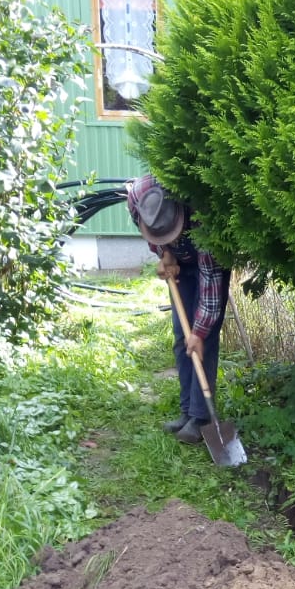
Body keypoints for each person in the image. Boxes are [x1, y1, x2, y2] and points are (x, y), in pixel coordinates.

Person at [126, 175, 231, 444]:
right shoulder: (138, 195)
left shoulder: (201, 217)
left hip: (207, 265)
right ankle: (186, 411)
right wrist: (165, 254)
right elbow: (149, 232)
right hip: (180, 263)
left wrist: (199, 332)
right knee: (181, 337)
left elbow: (211, 289)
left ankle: (201, 417)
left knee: (200, 340)